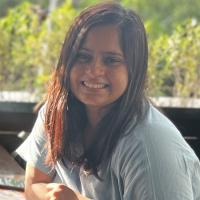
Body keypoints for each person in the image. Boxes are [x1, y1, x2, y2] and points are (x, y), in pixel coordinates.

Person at [16, 2, 200, 200]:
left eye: (111, 60)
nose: (94, 71)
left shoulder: (150, 148)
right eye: (83, 57)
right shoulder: (56, 112)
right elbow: (34, 184)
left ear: (134, 69)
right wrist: (51, 195)